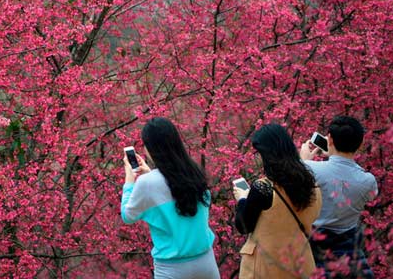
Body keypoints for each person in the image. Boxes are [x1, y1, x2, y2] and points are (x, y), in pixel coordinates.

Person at [120, 117, 220, 279]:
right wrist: (150, 173)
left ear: (151, 148)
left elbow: (128, 215)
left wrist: (129, 180)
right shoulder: (194, 172)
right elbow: (172, 188)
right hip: (206, 262)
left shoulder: (147, 183)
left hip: (172, 268)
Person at [234, 123, 323, 279]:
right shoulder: (311, 184)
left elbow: (243, 225)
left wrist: (242, 199)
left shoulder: (263, 188)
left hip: (266, 268)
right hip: (300, 264)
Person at [300, 115, 378, 278]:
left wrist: (303, 161)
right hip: (348, 250)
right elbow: (370, 195)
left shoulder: (310, 169)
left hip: (313, 247)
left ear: (329, 139)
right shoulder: (368, 181)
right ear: (361, 144)